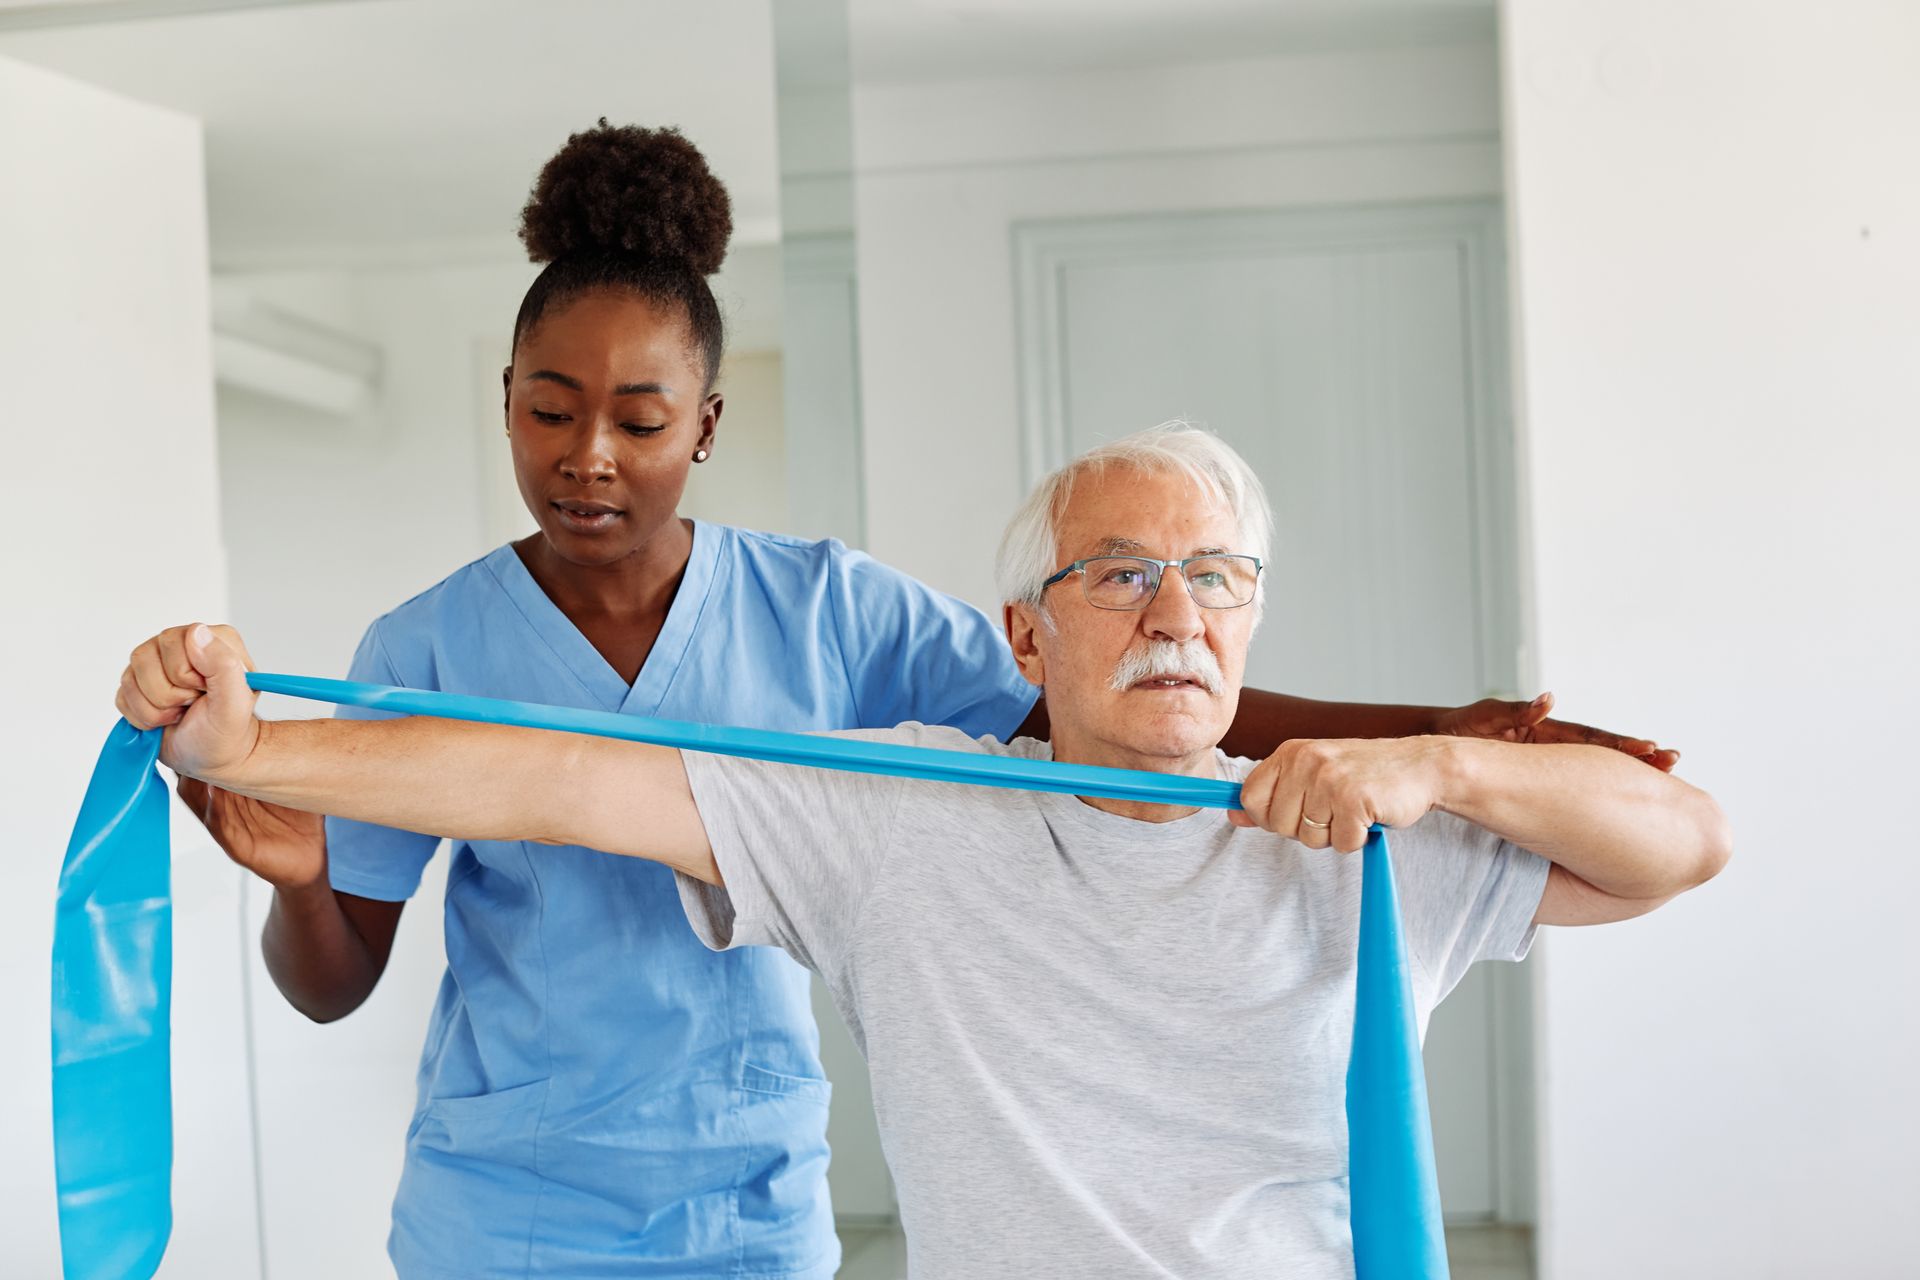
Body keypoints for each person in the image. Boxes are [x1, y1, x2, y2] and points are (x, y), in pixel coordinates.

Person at [120, 124, 1674, 1278]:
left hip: (750, 1199)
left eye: (641, 418)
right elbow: (502, 828)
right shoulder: (427, 642)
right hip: (506, 1206)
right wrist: (287, 812)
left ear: (706, 426)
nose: (591, 455)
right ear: (506, 404)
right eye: (550, 409)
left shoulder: (837, 614)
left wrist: (1445, 742)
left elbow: (1124, 684)